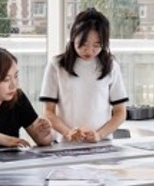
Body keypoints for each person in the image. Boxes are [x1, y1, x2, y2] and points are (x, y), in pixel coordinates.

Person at [39, 8, 128, 143]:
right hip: (65, 146)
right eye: (84, 44)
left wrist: (99, 135)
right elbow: (48, 112)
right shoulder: (57, 65)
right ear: (74, 37)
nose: (89, 51)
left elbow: (120, 113)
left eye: (96, 45)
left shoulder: (111, 65)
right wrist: (68, 132)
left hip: (101, 145)